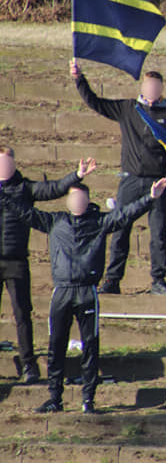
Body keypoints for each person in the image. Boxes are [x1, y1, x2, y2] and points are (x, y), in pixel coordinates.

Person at [0, 176, 166, 414]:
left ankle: (88, 400)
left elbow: (126, 214)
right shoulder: (54, 221)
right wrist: (3, 196)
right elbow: (23, 212)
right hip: (61, 292)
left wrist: (150, 198)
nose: (77, 202)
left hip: (86, 292)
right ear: (68, 202)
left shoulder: (99, 222)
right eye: (73, 198)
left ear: (88, 200)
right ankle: (55, 399)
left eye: (82, 198)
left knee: (90, 346)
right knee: (55, 346)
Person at [71, 58, 166, 295]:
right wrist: (79, 79)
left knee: (159, 233)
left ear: (161, 90)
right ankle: (112, 280)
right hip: (130, 181)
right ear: (142, 88)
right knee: (120, 230)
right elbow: (96, 103)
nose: (151, 91)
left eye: (156, 87)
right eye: (148, 86)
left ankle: (158, 281)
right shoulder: (129, 109)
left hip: (157, 182)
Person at [0, 148, 96, 384]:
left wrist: (77, 175)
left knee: (22, 314)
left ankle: (29, 365)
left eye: (6, 163)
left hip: (16, 260)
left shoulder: (25, 188)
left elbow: (53, 188)